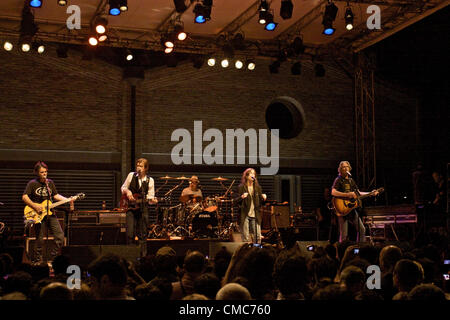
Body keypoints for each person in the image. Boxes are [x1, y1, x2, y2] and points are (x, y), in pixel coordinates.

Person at [22, 161, 71, 265]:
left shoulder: (50, 183)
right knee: (39, 239)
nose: (44, 174)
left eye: (45, 172)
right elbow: (24, 197)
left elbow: (55, 195)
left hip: (50, 213)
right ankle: (37, 261)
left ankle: (53, 258)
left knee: (60, 236)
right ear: (36, 172)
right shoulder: (32, 184)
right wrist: (35, 206)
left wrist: (68, 199)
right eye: (42, 172)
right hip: (37, 214)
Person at [331, 161, 379, 243]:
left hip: (351, 209)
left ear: (349, 168)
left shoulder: (351, 180)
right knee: (344, 235)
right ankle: (341, 252)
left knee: (362, 230)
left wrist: (370, 193)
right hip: (342, 209)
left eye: (347, 167)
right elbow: (333, 192)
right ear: (340, 169)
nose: (345, 168)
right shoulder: (338, 180)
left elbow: (358, 193)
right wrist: (347, 194)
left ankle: (360, 248)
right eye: (343, 167)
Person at [121, 158, 157, 258]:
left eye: (141, 166)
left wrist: (152, 201)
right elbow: (123, 187)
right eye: (137, 165)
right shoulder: (131, 175)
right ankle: (130, 257)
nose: (138, 167)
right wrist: (128, 192)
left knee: (143, 235)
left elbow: (150, 197)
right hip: (130, 208)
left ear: (146, 168)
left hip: (143, 209)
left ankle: (143, 258)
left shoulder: (150, 180)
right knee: (130, 234)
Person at [236, 168, 267, 244]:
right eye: (251, 173)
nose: (253, 175)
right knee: (246, 238)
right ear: (246, 176)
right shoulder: (241, 187)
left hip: (255, 214)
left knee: (258, 237)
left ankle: (257, 252)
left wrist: (264, 198)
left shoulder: (258, 188)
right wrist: (242, 197)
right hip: (244, 214)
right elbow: (235, 201)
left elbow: (261, 203)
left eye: (254, 174)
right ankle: (246, 253)